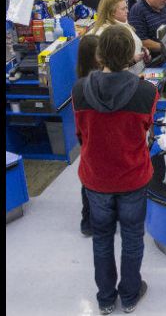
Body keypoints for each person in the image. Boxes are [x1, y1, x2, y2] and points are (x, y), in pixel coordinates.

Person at [73, 24, 158, 315]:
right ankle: (131, 295)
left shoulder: (80, 90)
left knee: (102, 237)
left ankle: (106, 299)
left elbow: (81, 133)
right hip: (132, 175)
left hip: (96, 177)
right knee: (133, 237)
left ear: (99, 55)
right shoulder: (146, 92)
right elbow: (146, 131)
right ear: (130, 56)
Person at [76, 34, 101, 238]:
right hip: (96, 142)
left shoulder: (79, 85)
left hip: (87, 142)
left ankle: (88, 221)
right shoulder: (94, 85)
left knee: (89, 183)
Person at [89, 0, 147, 64]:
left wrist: (143, 51)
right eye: (123, 9)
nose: (127, 11)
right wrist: (132, 60)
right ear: (112, 12)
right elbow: (109, 63)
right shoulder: (105, 33)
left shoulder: (124, 24)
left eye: (126, 7)